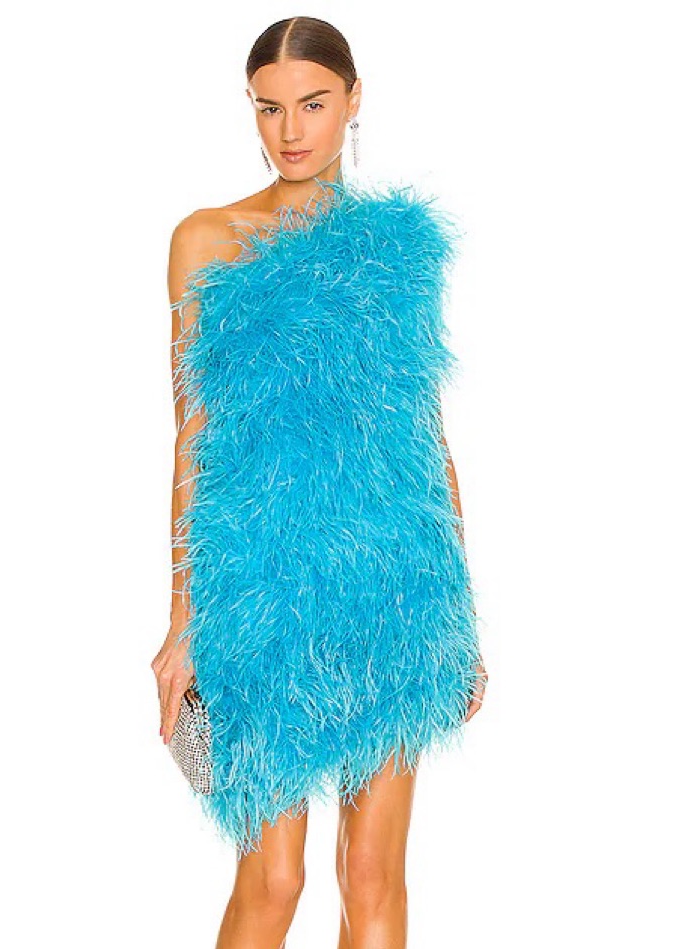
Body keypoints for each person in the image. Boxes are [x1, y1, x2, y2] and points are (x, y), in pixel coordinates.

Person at [151, 16, 487, 949]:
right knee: (274, 878)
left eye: (312, 104)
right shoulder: (207, 239)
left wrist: (459, 615)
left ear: (353, 100)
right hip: (260, 588)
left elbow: (426, 435)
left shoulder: (398, 251)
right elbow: (192, 438)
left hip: (396, 584)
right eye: (269, 109)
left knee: (373, 875)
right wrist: (182, 618)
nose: (291, 130)